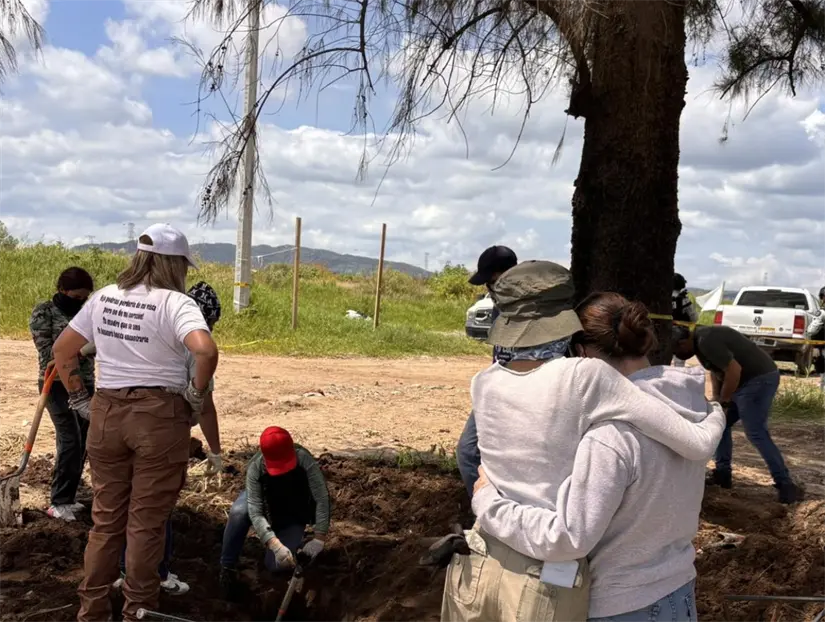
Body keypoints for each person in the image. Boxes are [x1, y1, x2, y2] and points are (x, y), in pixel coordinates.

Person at [440, 261, 725, 622]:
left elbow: (569, 535)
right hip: (677, 591)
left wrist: (485, 498)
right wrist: (715, 411)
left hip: (616, 603)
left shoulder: (605, 432)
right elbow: (698, 444)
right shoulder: (684, 403)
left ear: (583, 349)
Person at [52, 223, 220, 622]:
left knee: (106, 522)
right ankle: (137, 612)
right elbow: (205, 350)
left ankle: (91, 610)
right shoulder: (176, 304)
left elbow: (63, 351)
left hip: (107, 413)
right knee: (145, 524)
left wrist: (80, 399)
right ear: (175, 264)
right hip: (158, 418)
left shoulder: (104, 297)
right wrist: (195, 394)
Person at [113, 281, 224, 596]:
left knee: (130, 502)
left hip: (122, 426)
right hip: (162, 434)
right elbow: (205, 407)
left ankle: (124, 569)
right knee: (157, 508)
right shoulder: (194, 346)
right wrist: (215, 453)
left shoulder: (147, 328)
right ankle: (156, 575)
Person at [672, 324, 803, 503]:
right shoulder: (700, 343)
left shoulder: (706, 340)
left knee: (756, 432)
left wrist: (725, 402)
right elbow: (716, 370)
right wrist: (718, 402)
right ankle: (722, 474)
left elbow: (734, 370)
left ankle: (785, 484)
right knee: (721, 425)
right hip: (742, 381)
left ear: (684, 341)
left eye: (677, 348)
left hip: (758, 380)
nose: (677, 353)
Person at [219, 426, 331, 595]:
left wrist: (319, 538)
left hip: (292, 510)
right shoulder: (256, 468)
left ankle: (297, 543)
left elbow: (321, 498)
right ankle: (227, 567)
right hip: (265, 503)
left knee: (276, 565)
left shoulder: (305, 460)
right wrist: (274, 544)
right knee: (239, 512)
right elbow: (255, 512)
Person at [29, 267, 95, 522]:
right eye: (76, 297)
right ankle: (58, 501)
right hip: (55, 384)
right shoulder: (44, 312)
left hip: (85, 384)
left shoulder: (87, 315)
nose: (80, 302)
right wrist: (80, 350)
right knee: (71, 439)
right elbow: (48, 355)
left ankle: (68, 495)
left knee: (85, 440)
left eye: (84, 298)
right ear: (62, 290)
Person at [457, 245, 518, 497]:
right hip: (496, 389)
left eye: (490, 282)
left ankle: (495, 517)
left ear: (504, 276)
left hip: (519, 393)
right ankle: (486, 515)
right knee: (468, 452)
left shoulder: (532, 309)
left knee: (476, 453)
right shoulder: (497, 307)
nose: (487, 289)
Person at [671, 273, 698, 368]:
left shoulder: (663, 298)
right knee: (679, 363)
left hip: (664, 333)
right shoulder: (683, 299)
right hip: (680, 334)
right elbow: (694, 317)